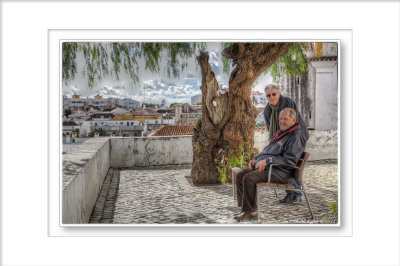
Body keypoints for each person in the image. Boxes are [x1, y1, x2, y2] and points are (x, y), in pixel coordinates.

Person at [234, 107, 308, 221]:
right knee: (240, 175)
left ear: (293, 120)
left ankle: (250, 211)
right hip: (269, 168)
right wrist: (256, 159)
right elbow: (267, 150)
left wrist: (267, 161)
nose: (282, 121)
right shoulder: (281, 133)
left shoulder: (295, 136)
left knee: (249, 178)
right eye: (281, 119)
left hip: (280, 172)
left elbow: (290, 160)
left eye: (285, 119)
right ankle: (245, 208)